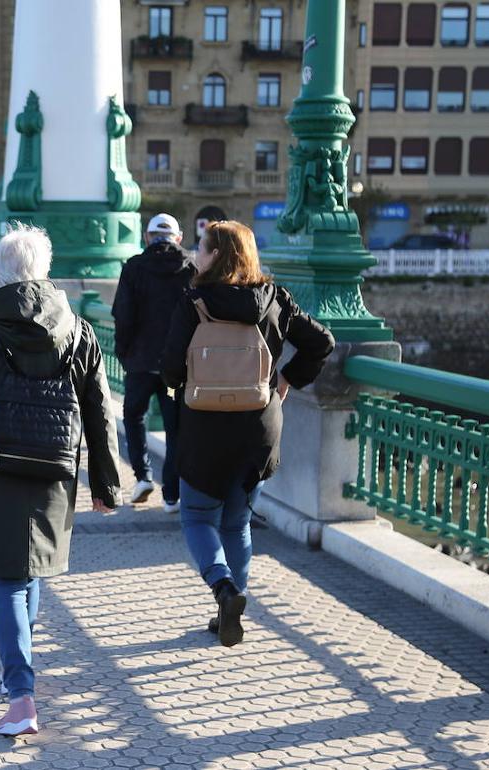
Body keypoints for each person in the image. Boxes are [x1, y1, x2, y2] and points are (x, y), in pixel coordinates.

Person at [0, 224, 122, 737]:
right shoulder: (78, 330)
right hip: (54, 466)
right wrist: (105, 481)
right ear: (45, 270)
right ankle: (20, 664)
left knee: (7, 580)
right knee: (28, 570)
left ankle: (20, 696)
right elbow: (100, 412)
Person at [161, 220, 334, 648]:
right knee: (237, 522)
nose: (195, 256)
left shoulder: (194, 302)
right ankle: (230, 607)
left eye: (200, 248)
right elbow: (322, 342)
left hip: (204, 427)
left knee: (198, 516)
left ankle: (223, 588)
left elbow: (168, 369)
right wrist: (287, 379)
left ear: (217, 254)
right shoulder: (274, 299)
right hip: (258, 426)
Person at [111, 213, 195, 514]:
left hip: (141, 362)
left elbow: (123, 314)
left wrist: (125, 354)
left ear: (147, 237)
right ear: (179, 238)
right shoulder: (191, 267)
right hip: (177, 367)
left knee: (134, 417)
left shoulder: (134, 267)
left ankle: (143, 475)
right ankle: (171, 495)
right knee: (176, 429)